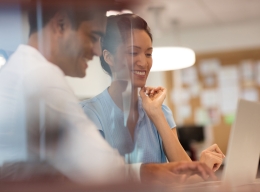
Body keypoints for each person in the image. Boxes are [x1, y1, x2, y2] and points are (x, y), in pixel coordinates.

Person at [0, 0, 216, 185]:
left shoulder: (24, 70)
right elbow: (99, 168)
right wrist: (157, 171)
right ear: (61, 25)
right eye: (91, 36)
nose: (96, 50)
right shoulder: (41, 78)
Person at [80, 14, 224, 172]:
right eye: (133, 53)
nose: (143, 62)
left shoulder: (160, 111)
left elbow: (186, 174)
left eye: (148, 54)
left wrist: (156, 114)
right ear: (109, 57)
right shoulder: (89, 114)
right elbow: (95, 178)